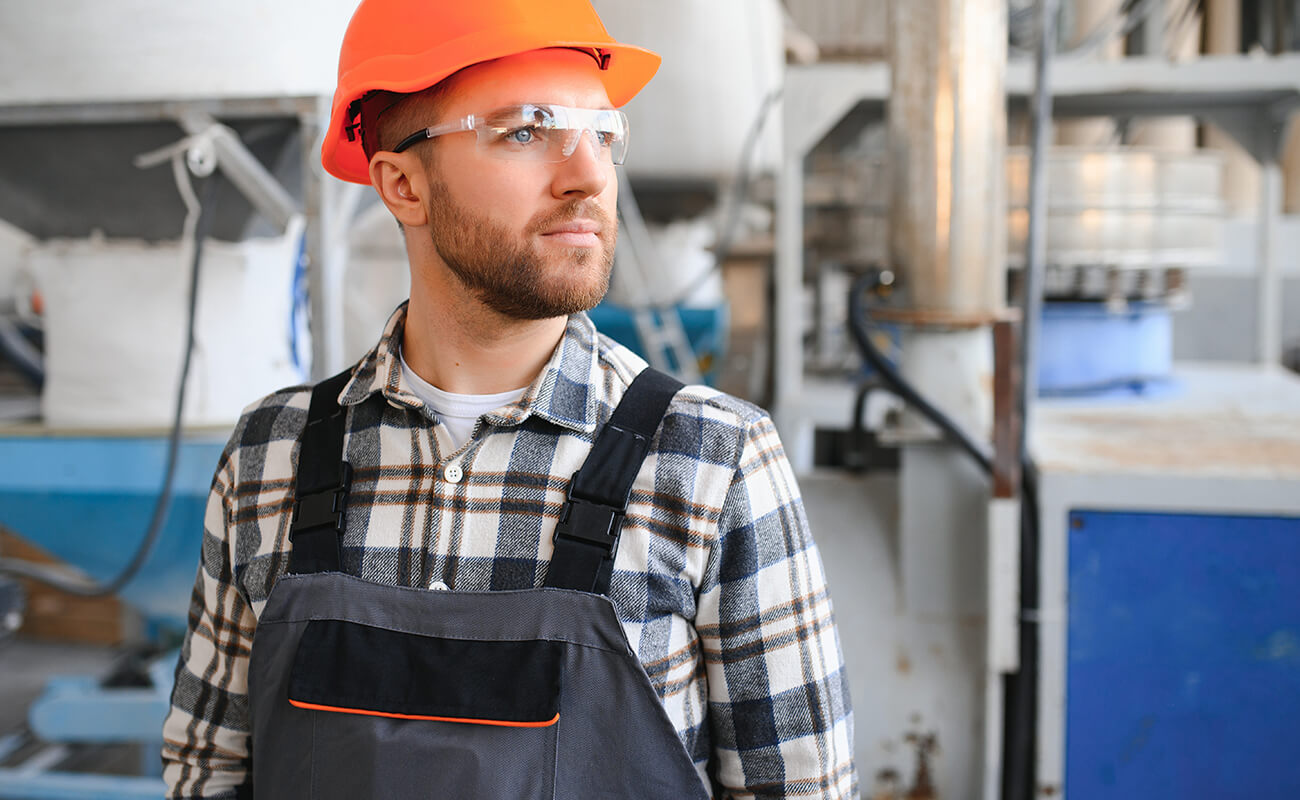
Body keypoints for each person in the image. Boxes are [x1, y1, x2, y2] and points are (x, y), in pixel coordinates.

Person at [162, 1, 857, 797]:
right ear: (402, 184)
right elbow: (206, 773)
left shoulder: (712, 460)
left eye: (604, 134)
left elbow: (801, 789)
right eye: (527, 130)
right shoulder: (270, 456)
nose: (589, 174)